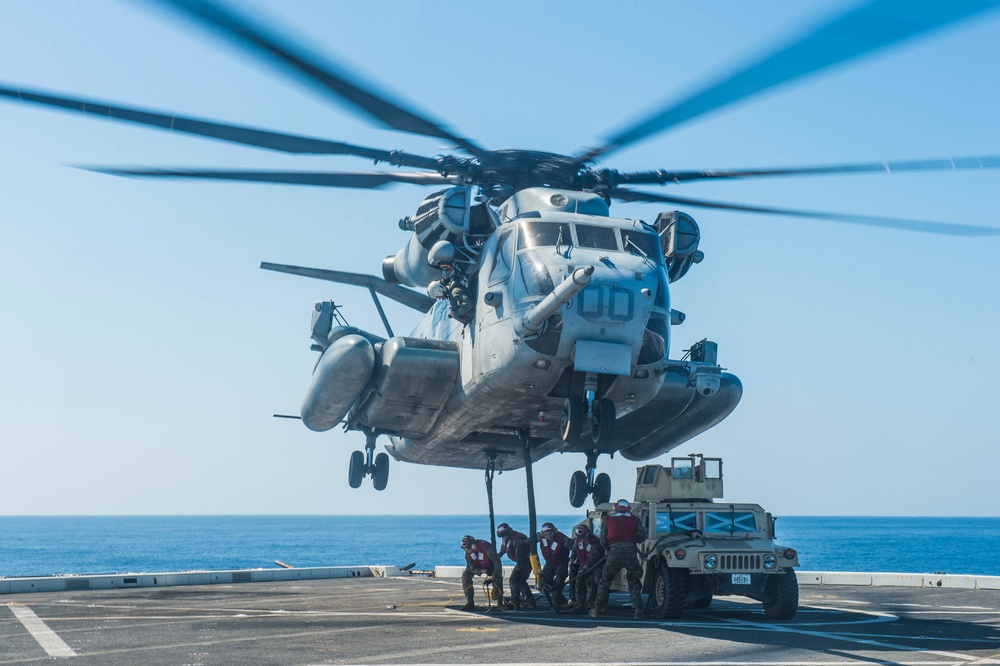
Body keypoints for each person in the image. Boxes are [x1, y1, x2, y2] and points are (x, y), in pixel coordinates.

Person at [591, 499, 647, 620]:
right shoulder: (634, 519)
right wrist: (634, 540)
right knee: (634, 581)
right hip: (630, 552)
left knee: (605, 581)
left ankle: (596, 609)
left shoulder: (608, 519)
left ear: (616, 507)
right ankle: (638, 611)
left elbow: (603, 539)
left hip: (613, 552)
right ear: (628, 508)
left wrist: (608, 549)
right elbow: (642, 536)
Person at [496, 523, 536, 609]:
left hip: (525, 562)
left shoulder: (517, 540)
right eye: (502, 535)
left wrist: (519, 567)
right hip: (522, 562)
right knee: (521, 581)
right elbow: (503, 550)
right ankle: (529, 601)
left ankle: (515, 601)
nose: (504, 536)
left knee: (513, 580)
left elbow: (519, 555)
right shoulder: (506, 539)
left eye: (505, 534)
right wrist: (496, 557)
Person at [460, 534, 503, 611]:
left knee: (497, 578)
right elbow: (471, 568)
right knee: (465, 576)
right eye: (465, 549)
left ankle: (500, 603)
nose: (467, 551)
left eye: (468, 548)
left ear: (473, 545)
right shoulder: (468, 555)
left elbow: (497, 563)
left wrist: (493, 575)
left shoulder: (487, 548)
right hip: (479, 566)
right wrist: (482, 571)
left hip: (491, 565)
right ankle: (470, 602)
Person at [569, 523, 605, 613]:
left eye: (582, 537)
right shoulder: (578, 541)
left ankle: (600, 604)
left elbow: (593, 558)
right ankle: (580, 603)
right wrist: (572, 560)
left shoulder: (596, 542)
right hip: (584, 563)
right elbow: (574, 550)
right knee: (579, 581)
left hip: (596, 564)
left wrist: (585, 568)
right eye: (579, 537)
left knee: (600, 582)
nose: (581, 539)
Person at [537, 521, 572, 610]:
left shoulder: (562, 538)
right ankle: (561, 599)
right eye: (546, 534)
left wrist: (573, 559)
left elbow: (575, 546)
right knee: (544, 581)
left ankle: (556, 603)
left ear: (555, 532)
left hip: (562, 562)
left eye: (551, 533)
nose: (549, 536)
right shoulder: (541, 537)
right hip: (550, 562)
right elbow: (530, 539)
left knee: (559, 580)